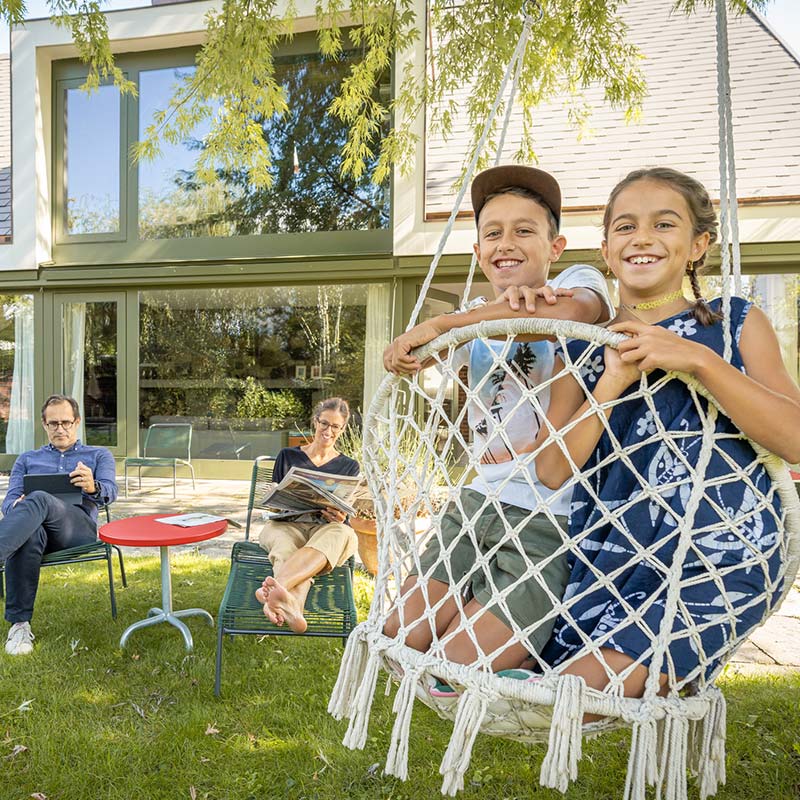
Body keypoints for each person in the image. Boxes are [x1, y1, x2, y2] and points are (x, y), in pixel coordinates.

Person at [534, 167, 800, 701]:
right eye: (626, 226)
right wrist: (610, 380)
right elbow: (552, 469)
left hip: (723, 549)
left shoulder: (733, 322)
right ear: (607, 249)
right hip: (612, 550)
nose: (643, 238)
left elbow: (793, 438)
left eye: (665, 224)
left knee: (573, 699)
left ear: (698, 244)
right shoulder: (580, 346)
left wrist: (699, 361)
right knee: (561, 689)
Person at [382, 165, 615, 683]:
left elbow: (575, 314)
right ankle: (492, 626)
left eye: (524, 230)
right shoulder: (475, 316)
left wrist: (441, 323)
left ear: (555, 247)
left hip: (546, 520)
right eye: (493, 233)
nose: (506, 243)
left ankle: (534, 665)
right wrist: (403, 352)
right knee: (400, 643)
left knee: (455, 668)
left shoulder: (578, 280)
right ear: (478, 251)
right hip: (474, 505)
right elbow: (435, 370)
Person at [1, 394, 118, 655]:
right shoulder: (27, 459)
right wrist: (17, 505)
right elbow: (8, 503)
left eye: (66, 422)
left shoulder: (98, 455)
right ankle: (19, 627)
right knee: (29, 533)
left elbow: (111, 491)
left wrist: (93, 486)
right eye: (53, 423)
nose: (60, 428)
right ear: (44, 425)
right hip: (35, 531)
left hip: (78, 531)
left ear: (77, 422)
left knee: (40, 498)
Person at [255, 397, 360, 634]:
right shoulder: (288, 456)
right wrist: (273, 498)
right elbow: (274, 500)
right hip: (287, 524)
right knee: (283, 544)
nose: (328, 431)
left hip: (325, 528)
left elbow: (347, 514)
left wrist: (340, 516)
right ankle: (294, 608)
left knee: (342, 533)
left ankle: (275, 590)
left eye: (335, 427)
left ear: (342, 430)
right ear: (315, 422)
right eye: (324, 423)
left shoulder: (349, 466)